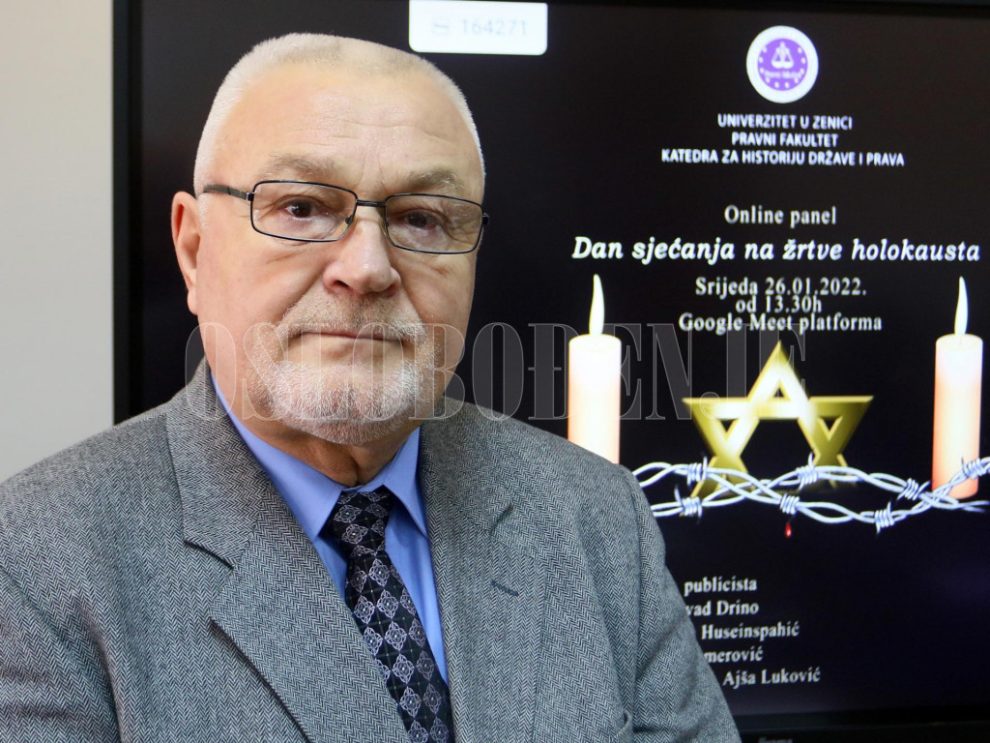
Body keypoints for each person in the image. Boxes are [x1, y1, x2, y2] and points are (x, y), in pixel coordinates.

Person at [0, 34, 738, 742]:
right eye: (301, 208)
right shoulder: (36, 562)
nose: (367, 268)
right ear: (194, 249)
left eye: (421, 219)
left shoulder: (597, 515)